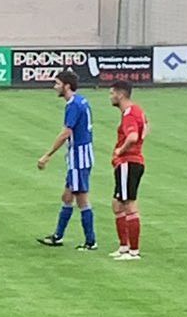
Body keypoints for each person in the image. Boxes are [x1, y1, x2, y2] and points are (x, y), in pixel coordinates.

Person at [37, 69, 96, 249]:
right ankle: (58, 236)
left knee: (81, 199)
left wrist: (47, 155)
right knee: (67, 196)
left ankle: (90, 241)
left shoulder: (73, 105)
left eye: (57, 84)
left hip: (79, 157)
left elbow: (66, 133)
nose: (54, 87)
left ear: (66, 86)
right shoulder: (81, 100)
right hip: (79, 155)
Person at [110, 80, 148, 260]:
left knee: (129, 204)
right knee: (117, 204)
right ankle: (124, 247)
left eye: (112, 93)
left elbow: (132, 136)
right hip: (133, 162)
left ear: (121, 94)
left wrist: (120, 150)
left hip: (128, 162)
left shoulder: (129, 114)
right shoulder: (138, 111)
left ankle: (133, 251)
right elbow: (145, 129)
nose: (111, 97)